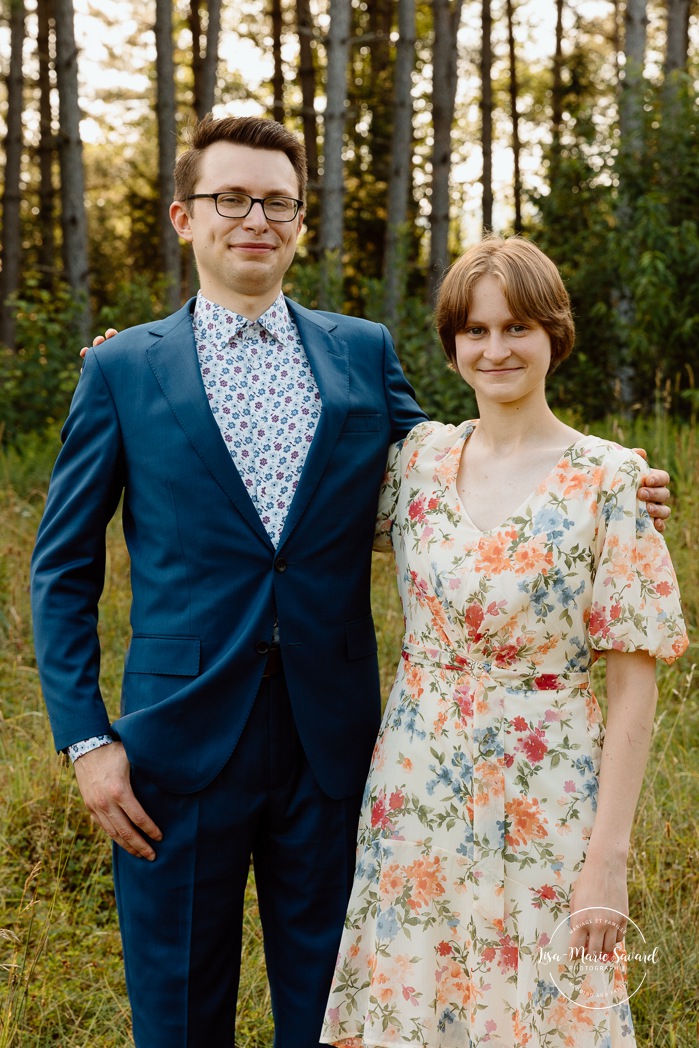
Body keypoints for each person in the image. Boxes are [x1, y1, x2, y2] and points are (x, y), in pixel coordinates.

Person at [30, 113, 670, 1048]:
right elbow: (61, 568)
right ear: (183, 216)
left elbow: (456, 467)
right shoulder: (125, 367)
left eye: (277, 201)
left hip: (341, 757)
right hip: (173, 744)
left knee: (340, 1016)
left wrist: (606, 487)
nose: (254, 216)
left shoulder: (360, 353)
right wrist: (86, 739)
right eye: (230, 198)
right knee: (175, 1020)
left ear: (300, 222)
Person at [320, 236, 687, 1048]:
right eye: (474, 331)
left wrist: (609, 859)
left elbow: (634, 682)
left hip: (549, 790)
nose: (495, 349)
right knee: (413, 1006)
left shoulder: (608, 480)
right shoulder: (414, 462)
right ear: (451, 345)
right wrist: (128, 365)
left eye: (516, 327)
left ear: (553, 335)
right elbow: (286, 487)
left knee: (550, 1012)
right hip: (415, 792)